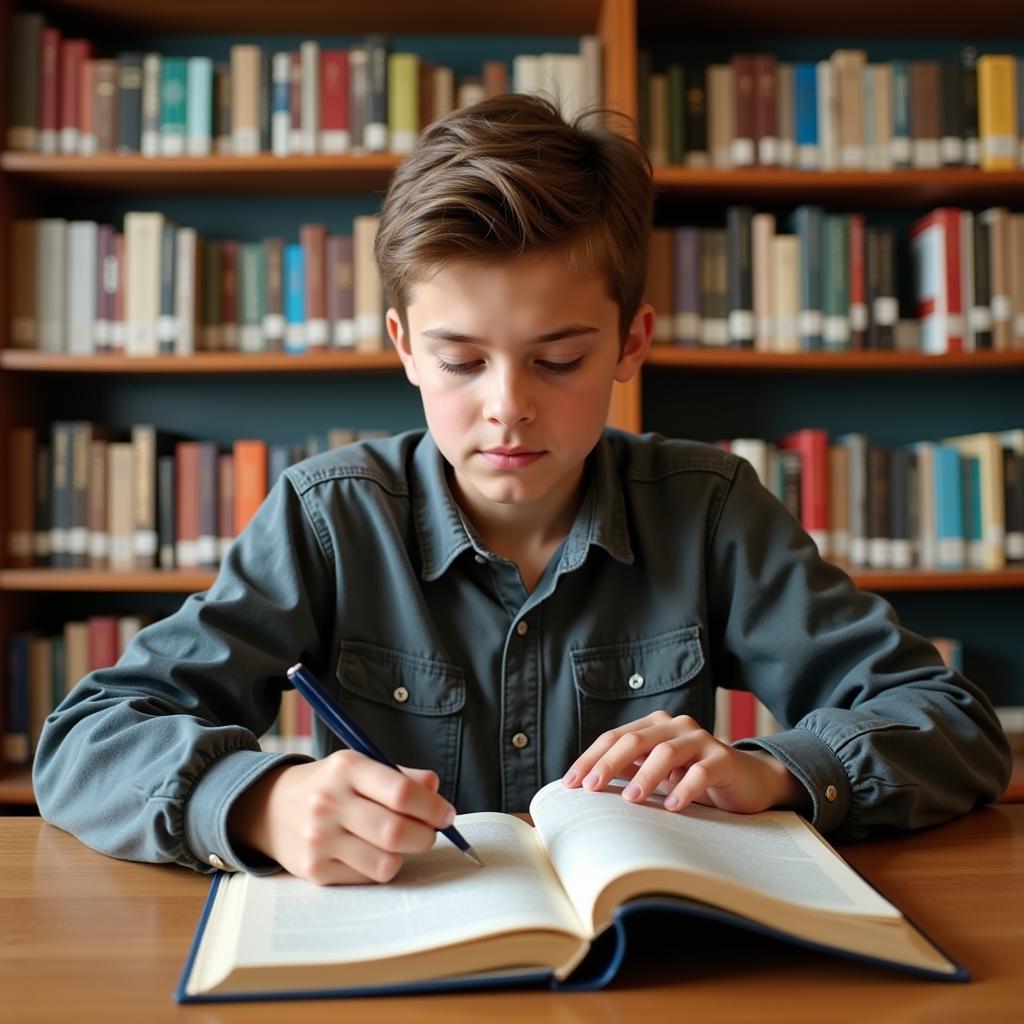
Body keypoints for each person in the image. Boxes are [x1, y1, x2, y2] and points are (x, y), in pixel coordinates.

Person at [34, 94, 1011, 887]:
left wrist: (774, 770)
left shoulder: (706, 509)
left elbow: (948, 717)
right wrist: (257, 800)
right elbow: (85, 739)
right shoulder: (329, 516)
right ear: (404, 347)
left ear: (630, 342)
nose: (508, 409)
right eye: (461, 360)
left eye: (558, 358)